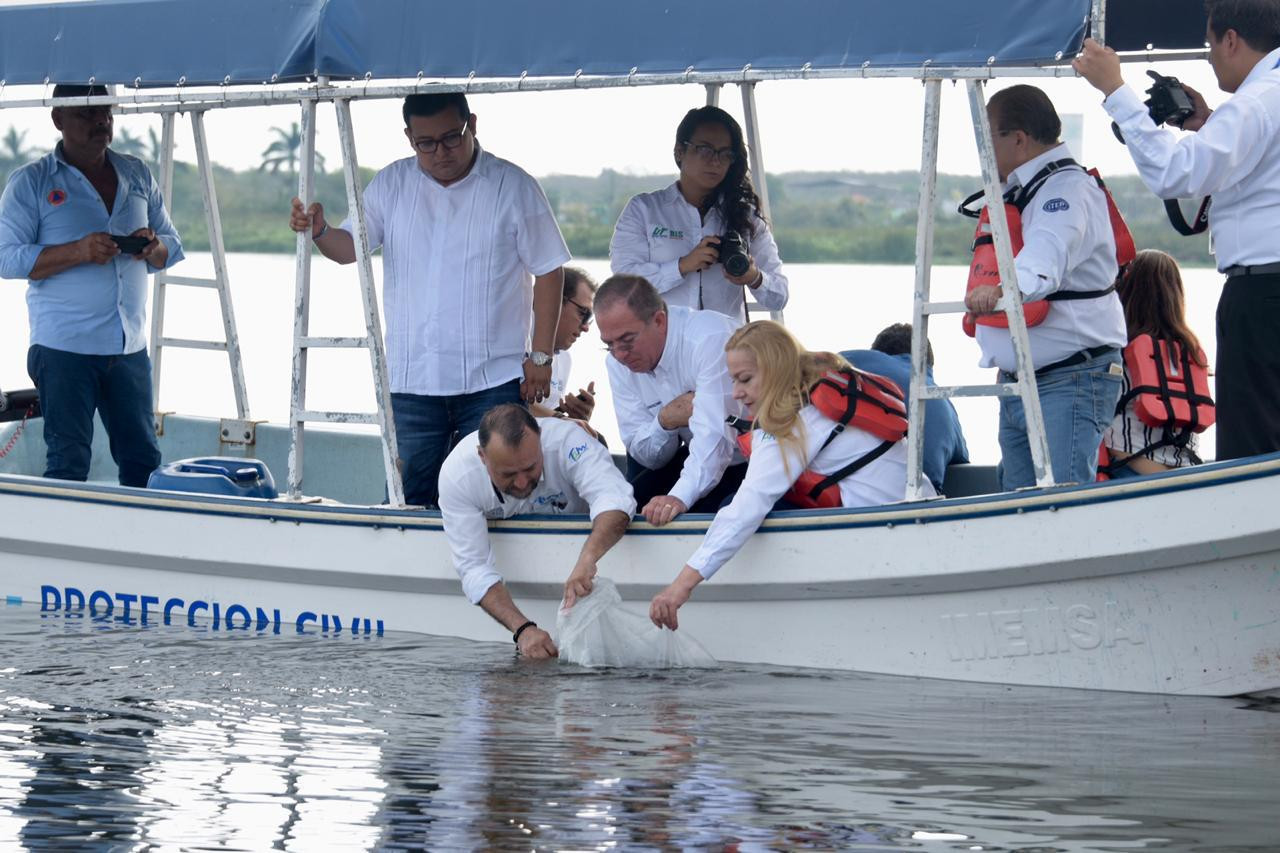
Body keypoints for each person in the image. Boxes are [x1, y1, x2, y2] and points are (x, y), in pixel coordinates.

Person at [289, 92, 570, 507]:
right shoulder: (391, 184)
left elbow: (549, 270)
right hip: (412, 382)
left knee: (498, 498)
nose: (441, 152)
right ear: (409, 138)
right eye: (426, 143)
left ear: (472, 125)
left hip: (493, 381)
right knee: (406, 500)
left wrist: (541, 357)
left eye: (452, 137)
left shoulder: (514, 186)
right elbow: (350, 247)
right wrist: (320, 231)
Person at [1074, 1, 1280, 460]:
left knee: (1253, 449)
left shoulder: (1256, 103)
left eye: (1210, 45)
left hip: (1264, 295)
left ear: (1231, 40)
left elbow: (1175, 173)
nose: (1210, 57)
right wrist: (1209, 125)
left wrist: (1115, 90)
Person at [648, 321, 930, 630]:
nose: (737, 393)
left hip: (885, 529)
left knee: (732, 504)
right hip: (918, 503)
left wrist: (679, 587)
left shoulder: (791, 422)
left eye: (745, 379)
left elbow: (746, 507)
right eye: (733, 380)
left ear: (776, 370)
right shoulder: (823, 380)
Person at [0, 84, 184, 487]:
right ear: (58, 119)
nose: (101, 120)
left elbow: (172, 245)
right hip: (64, 348)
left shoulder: (137, 173)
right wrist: (78, 251)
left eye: (106, 111)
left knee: (144, 462)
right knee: (68, 463)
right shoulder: (31, 182)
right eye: (87, 112)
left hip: (128, 348)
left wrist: (151, 247)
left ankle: (138, 530)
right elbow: (6, 258)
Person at [963, 84, 1127, 489]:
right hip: (1021, 381)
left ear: (1018, 138)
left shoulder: (1065, 190)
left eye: (986, 137)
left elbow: (1046, 254)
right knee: (1017, 505)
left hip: (1068, 380)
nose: (982, 150)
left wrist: (1002, 291)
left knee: (1060, 505)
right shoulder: (1021, 189)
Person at [437, 404, 635, 658]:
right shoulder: (457, 476)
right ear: (482, 456)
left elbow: (615, 499)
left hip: (593, 557)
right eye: (508, 474)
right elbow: (474, 567)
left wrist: (588, 559)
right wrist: (522, 629)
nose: (521, 483)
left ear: (541, 440)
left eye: (530, 468)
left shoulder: (569, 441)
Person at [609, 106, 788, 324]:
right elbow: (623, 287)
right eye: (705, 149)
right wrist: (682, 266)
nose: (715, 161)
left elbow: (780, 297)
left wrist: (754, 277)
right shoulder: (644, 210)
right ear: (679, 151)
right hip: (662, 343)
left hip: (726, 343)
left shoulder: (745, 217)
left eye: (725, 154)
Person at [595, 274, 747, 526]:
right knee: (624, 510)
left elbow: (717, 439)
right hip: (698, 458)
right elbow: (645, 454)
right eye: (609, 344)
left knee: (723, 513)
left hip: (760, 457)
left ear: (659, 320)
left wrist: (677, 498)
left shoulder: (708, 338)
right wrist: (664, 421)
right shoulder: (616, 362)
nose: (619, 355)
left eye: (627, 341)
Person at [1101, 250, 1213, 477]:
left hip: (1132, 467)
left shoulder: (1116, 351)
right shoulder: (1191, 352)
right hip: (1187, 468)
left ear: (1125, 290)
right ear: (1176, 294)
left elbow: (1106, 428)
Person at [841, 323, 969, 493]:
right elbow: (962, 462)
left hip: (830, 493)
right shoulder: (940, 401)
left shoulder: (847, 363)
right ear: (928, 367)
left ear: (877, 352)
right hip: (915, 500)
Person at [530, 266, 598, 422]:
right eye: (583, 313)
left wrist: (578, 418)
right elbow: (508, 404)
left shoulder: (564, 359)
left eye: (589, 319)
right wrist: (564, 421)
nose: (586, 327)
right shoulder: (514, 345)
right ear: (554, 302)